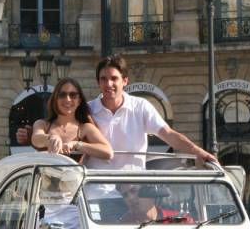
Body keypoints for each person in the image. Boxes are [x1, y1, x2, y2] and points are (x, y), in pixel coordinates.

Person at [17, 54, 216, 169]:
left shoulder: (141, 107)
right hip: (96, 189)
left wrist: (197, 151)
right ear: (98, 82)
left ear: (125, 81)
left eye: (114, 78)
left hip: (133, 187)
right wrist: (30, 136)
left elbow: (168, 134)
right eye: (103, 79)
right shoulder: (88, 110)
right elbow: (61, 128)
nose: (108, 84)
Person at [30, 77, 113, 163]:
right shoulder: (42, 124)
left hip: (75, 176)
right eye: (62, 95)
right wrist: (50, 138)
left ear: (79, 100)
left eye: (73, 95)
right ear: (55, 99)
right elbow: (36, 139)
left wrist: (77, 144)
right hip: (45, 176)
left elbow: (108, 152)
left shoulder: (85, 128)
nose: (67, 99)